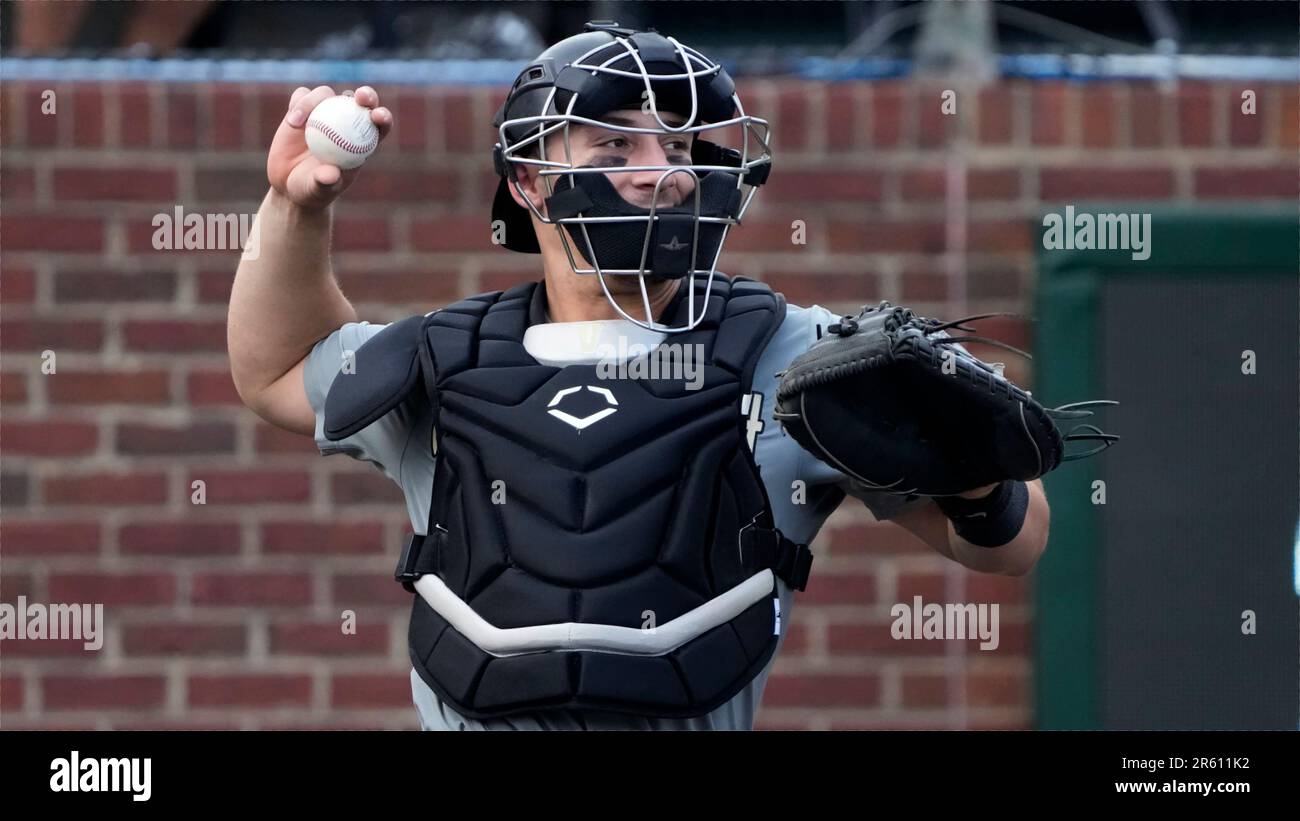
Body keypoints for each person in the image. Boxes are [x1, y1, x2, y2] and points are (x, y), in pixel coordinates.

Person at [228, 21, 1050, 731]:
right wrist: (295, 208)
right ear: (528, 181)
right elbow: (279, 368)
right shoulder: (451, 359)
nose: (668, 171)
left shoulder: (792, 352)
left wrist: (975, 479)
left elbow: (1014, 542)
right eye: (616, 144)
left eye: (681, 145)